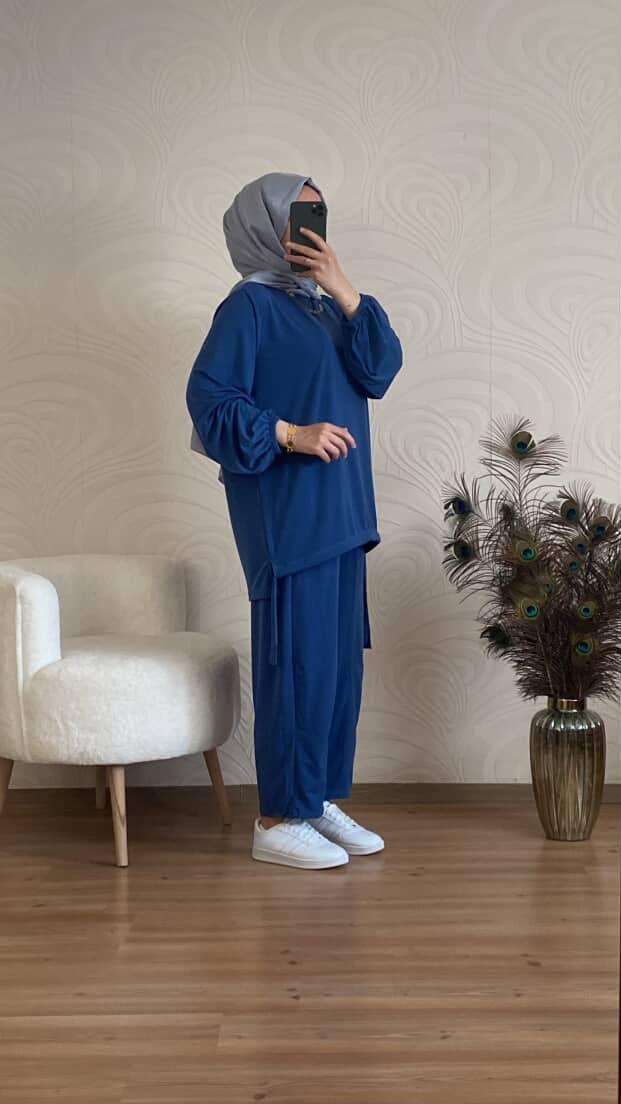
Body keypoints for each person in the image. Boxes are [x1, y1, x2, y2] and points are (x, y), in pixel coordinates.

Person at [186, 172, 403, 870]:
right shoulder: (247, 307)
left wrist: (345, 289)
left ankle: (314, 799)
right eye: (298, 212)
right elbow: (209, 401)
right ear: (264, 224)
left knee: (335, 669)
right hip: (287, 515)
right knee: (296, 661)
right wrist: (288, 433)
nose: (312, 224)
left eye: (319, 211)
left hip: (342, 512)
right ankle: (277, 817)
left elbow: (380, 372)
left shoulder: (325, 306)